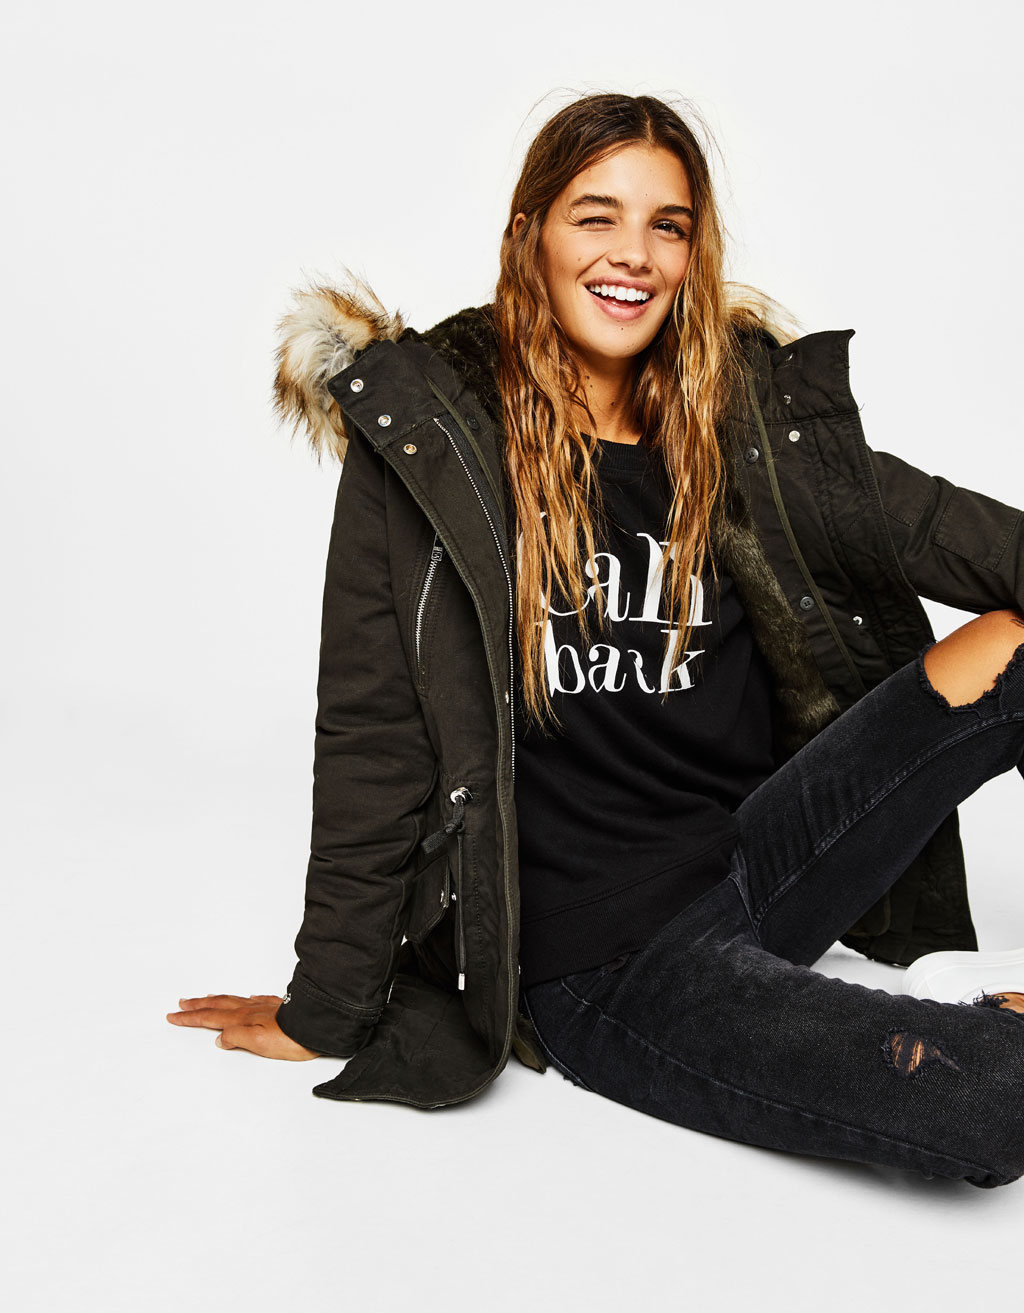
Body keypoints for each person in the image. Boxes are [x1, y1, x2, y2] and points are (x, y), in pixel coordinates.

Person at [168, 92, 1024, 1188]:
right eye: (595, 216)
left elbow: (954, 533)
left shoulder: (739, 424)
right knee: (987, 1099)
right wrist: (325, 1004)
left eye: (667, 225)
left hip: (762, 853)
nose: (633, 254)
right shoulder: (432, 448)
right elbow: (371, 738)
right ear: (529, 233)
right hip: (605, 957)